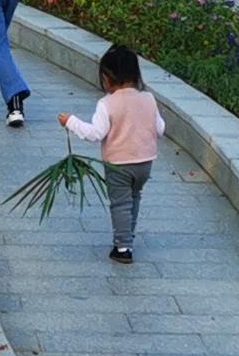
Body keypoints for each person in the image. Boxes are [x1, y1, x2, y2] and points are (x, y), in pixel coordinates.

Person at [59, 42, 162, 262]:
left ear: (107, 77)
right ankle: (128, 237)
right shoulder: (149, 98)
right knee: (134, 197)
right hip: (145, 163)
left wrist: (71, 122)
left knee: (120, 203)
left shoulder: (107, 103)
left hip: (119, 164)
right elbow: (160, 128)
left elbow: (95, 133)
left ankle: (123, 247)